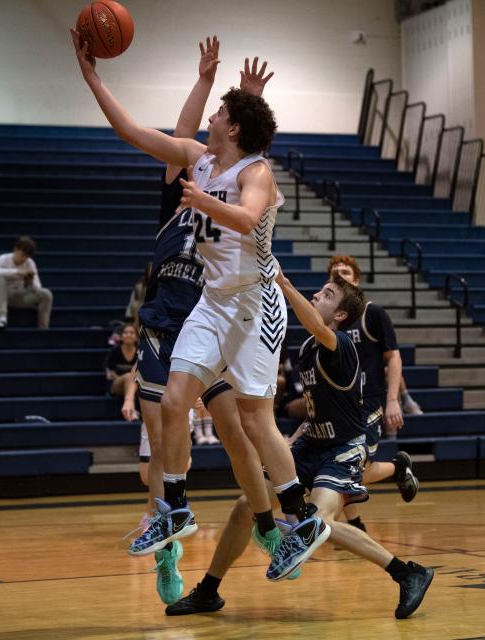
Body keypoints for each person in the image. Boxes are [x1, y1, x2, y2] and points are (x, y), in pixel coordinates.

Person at [72, 32, 327, 580]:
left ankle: (299, 518)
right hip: (212, 301)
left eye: (219, 112)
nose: (208, 117)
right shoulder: (200, 159)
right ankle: (176, 509)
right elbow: (131, 132)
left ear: (232, 127)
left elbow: (248, 217)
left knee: (256, 421)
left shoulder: (254, 173)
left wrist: (205, 198)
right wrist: (93, 77)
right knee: (173, 403)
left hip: (254, 304)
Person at [107, 38, 288, 603]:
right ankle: (169, 551)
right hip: (169, 322)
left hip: (218, 317)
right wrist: (208, 84)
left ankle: (266, 525)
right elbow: (180, 139)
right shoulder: (181, 183)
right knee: (163, 444)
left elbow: (245, 168)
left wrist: (245, 102)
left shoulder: (230, 181)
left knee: (238, 434)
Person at [165, 270, 434, 618]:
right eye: (319, 291)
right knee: (247, 504)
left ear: (339, 316)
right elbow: (319, 404)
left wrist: (283, 283)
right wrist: (294, 435)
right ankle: (208, 591)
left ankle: (407, 573)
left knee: (317, 522)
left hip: (342, 449)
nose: (317, 296)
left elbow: (319, 330)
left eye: (327, 295)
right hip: (311, 444)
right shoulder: (307, 349)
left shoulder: (341, 344)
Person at [326, 255, 420, 532]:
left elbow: (394, 359)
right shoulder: (329, 320)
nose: (340, 275)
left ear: (357, 280)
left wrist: (393, 400)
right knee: (335, 469)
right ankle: (356, 525)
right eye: (335, 273)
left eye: (346, 271)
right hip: (338, 406)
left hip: (368, 404)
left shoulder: (373, 313)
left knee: (349, 469)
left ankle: (397, 467)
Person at [0, 236, 53, 330]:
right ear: (16, 249)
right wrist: (16, 271)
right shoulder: (3, 258)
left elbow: (38, 287)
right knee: (0, 278)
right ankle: (2, 318)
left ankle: (43, 327)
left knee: (46, 294)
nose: (24, 259)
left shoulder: (30, 263)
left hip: (16, 296)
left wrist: (30, 282)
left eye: (27, 256)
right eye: (22, 255)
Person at [105, 323, 138, 397]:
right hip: (117, 383)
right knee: (129, 377)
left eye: (132, 333)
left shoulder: (140, 352)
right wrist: (126, 380)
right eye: (125, 333)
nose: (128, 335)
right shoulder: (115, 351)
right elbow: (109, 371)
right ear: (121, 337)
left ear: (136, 337)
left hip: (136, 384)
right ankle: (130, 406)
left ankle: (129, 406)